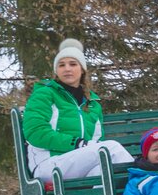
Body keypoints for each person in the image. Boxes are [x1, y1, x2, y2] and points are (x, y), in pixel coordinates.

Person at [23, 38, 134, 186]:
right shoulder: (45, 94)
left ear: (82, 69)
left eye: (73, 64)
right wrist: (77, 143)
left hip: (78, 164)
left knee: (104, 171)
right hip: (49, 165)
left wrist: (83, 146)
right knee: (111, 148)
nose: (67, 69)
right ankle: (145, 183)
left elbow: (96, 140)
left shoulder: (92, 103)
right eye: (61, 65)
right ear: (56, 70)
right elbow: (35, 133)